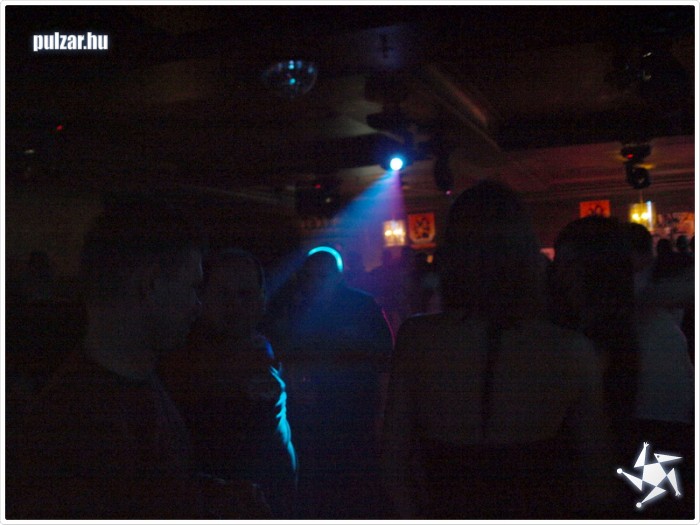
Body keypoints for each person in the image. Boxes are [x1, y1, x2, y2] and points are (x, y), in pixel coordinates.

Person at [6, 193, 270, 519]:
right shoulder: (74, 431)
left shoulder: (132, 383)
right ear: (150, 285)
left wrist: (214, 497)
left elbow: (155, 493)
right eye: (193, 287)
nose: (197, 305)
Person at [381, 180, 615, 519]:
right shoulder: (570, 349)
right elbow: (598, 477)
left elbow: (393, 463)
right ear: (526, 254)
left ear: (453, 255)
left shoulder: (418, 339)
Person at [160, 247, 298, 518]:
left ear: (262, 299)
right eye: (223, 294)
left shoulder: (263, 347)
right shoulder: (180, 364)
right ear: (201, 298)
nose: (235, 305)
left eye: (245, 294)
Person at [265, 248, 393, 519]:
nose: (315, 282)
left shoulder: (361, 306)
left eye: (322, 276)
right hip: (310, 416)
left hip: (354, 414)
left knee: (354, 487)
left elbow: (384, 358)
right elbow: (281, 352)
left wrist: (382, 414)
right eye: (310, 276)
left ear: (338, 276)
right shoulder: (295, 307)